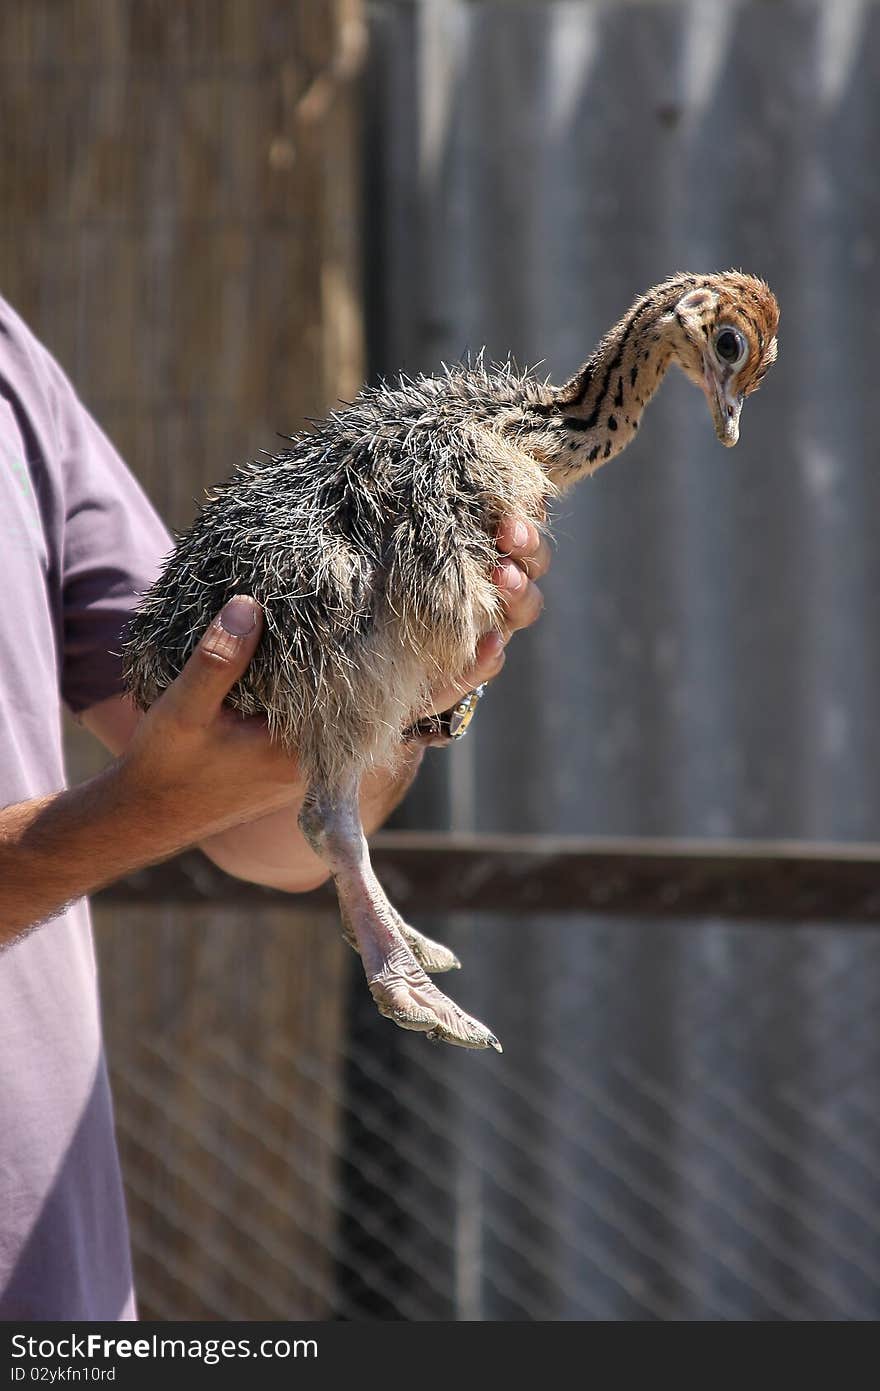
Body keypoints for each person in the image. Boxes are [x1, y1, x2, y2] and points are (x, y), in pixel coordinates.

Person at [0, 293, 550, 1319]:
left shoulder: (9, 369)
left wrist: (409, 687)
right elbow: (191, 790)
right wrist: (141, 811)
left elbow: (258, 817)